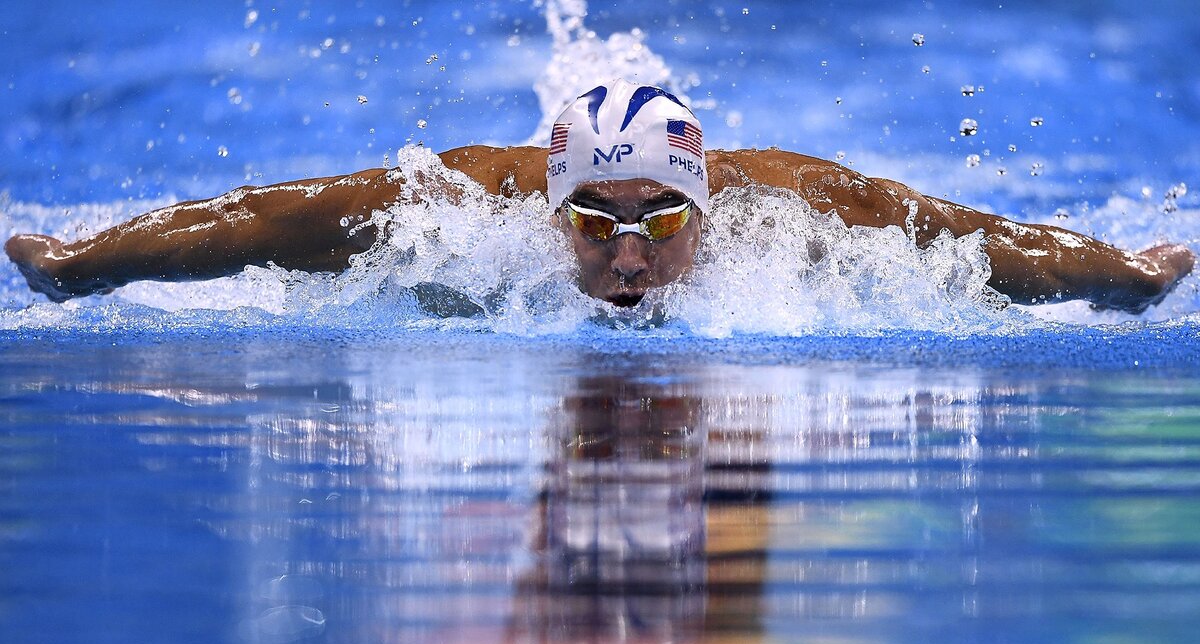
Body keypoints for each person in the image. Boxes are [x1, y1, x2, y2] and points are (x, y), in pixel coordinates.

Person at [6, 78, 1193, 313]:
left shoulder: (799, 211)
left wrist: (1125, 278)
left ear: (706, 210)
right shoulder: (462, 207)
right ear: (549, 211)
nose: (628, 256)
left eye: (661, 222)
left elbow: (972, 241)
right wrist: (85, 263)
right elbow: (257, 221)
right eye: (595, 222)